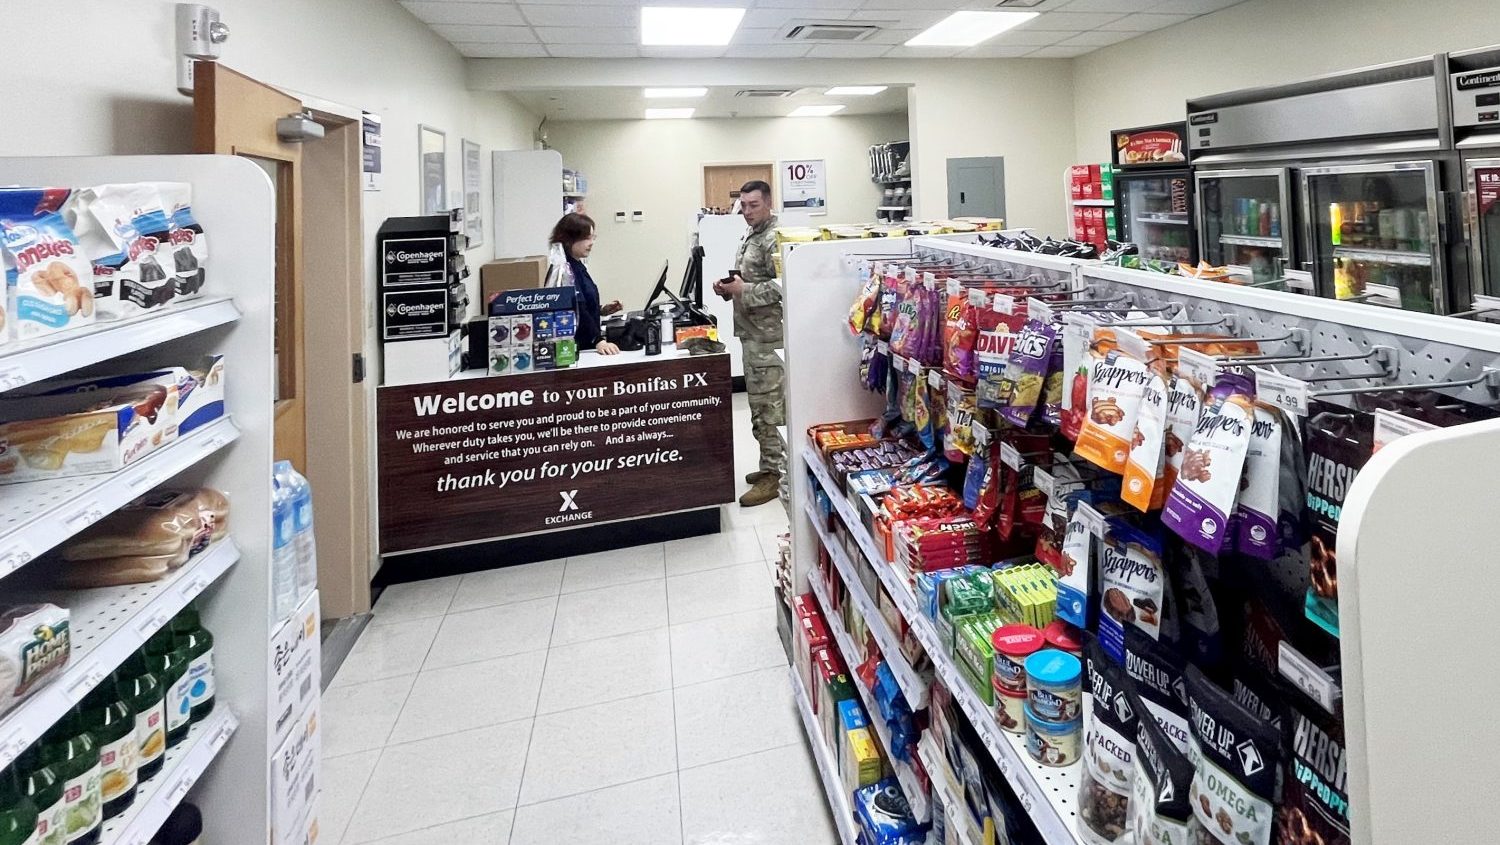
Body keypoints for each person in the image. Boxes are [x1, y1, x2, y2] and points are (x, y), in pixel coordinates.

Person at [712, 181, 783, 507]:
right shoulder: (751, 235)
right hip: (751, 334)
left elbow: (783, 286)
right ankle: (767, 465)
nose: (747, 211)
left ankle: (774, 475)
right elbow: (750, 280)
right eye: (743, 205)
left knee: (768, 409)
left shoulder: (775, 238)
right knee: (758, 407)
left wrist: (744, 291)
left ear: (768, 202)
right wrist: (728, 288)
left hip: (768, 339)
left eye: (753, 205)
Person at [550, 212, 622, 355]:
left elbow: (583, 301)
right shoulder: (564, 271)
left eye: (592, 237)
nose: (591, 243)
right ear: (570, 239)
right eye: (587, 238)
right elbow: (577, 309)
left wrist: (601, 310)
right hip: (576, 349)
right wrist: (598, 340)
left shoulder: (577, 266)